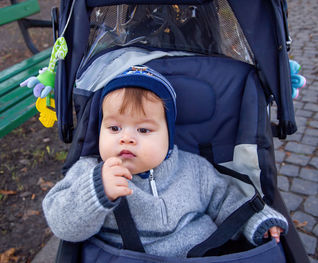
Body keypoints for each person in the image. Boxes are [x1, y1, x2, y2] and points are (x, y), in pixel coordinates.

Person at [42, 65, 288, 258]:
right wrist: (96, 192)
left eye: (144, 130)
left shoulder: (195, 169)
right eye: (115, 127)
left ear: (168, 137)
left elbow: (226, 200)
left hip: (205, 253)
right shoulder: (90, 172)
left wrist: (256, 219)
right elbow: (62, 224)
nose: (126, 139)